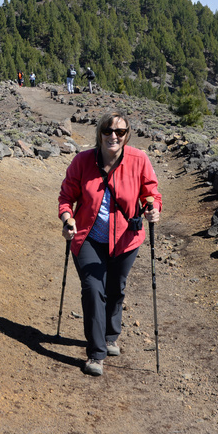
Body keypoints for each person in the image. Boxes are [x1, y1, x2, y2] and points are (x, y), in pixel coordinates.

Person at [57, 110, 161, 377]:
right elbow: (66, 196)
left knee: (116, 288)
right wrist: (67, 219)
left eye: (120, 132)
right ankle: (96, 353)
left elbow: (151, 193)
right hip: (89, 237)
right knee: (93, 289)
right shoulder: (82, 161)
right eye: (107, 131)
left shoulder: (139, 160)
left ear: (127, 136)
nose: (113, 136)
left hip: (126, 239)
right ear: (99, 133)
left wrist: (153, 209)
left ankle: (111, 335)